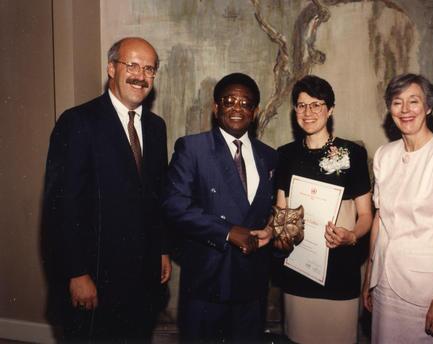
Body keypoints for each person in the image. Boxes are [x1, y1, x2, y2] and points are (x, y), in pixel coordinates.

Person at [43, 37, 172, 342]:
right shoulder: (77, 122)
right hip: (95, 278)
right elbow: (61, 207)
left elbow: (157, 197)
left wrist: (163, 248)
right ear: (111, 68)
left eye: (149, 69)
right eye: (133, 65)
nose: (141, 76)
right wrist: (76, 273)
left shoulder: (156, 127)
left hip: (142, 280)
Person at [163, 72, 277, 342]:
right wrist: (227, 231)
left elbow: (272, 209)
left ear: (255, 111)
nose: (237, 108)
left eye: (245, 103)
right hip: (208, 282)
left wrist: (272, 229)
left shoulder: (269, 156)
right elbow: (174, 204)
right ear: (216, 108)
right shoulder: (193, 148)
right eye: (229, 101)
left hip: (252, 285)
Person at [362, 73, 433, 343]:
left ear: (428, 107)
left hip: (427, 290)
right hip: (385, 283)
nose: (406, 110)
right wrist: (369, 278)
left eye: (414, 101)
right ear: (390, 110)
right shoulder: (385, 155)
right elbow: (380, 219)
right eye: (397, 103)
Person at [275, 75, 373, 343]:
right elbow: (281, 211)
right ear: (295, 110)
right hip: (299, 267)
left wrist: (351, 236)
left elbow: (366, 215)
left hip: (339, 269)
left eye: (317, 105)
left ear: (330, 110)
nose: (308, 112)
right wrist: (282, 236)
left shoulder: (352, 153)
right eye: (301, 105)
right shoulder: (285, 154)